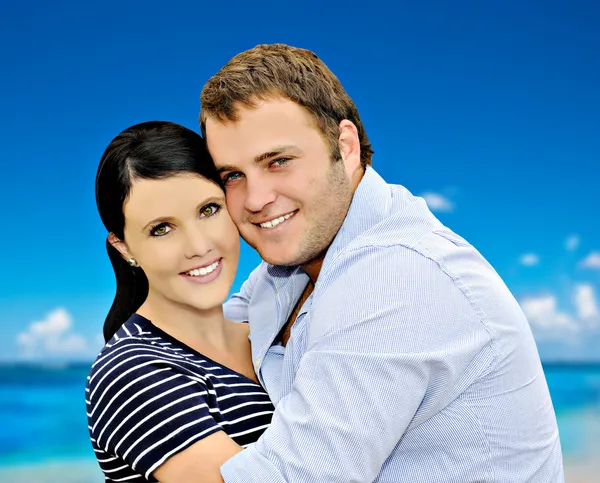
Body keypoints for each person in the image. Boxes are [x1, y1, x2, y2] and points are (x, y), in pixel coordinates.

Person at [199, 44, 565, 482]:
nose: (256, 200)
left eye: (278, 161)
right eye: (232, 176)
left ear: (346, 146)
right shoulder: (286, 273)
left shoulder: (395, 275)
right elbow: (190, 341)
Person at [86, 121, 274, 483]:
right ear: (124, 248)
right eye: (162, 229)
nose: (198, 246)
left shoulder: (271, 331)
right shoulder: (131, 372)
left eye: (208, 210)